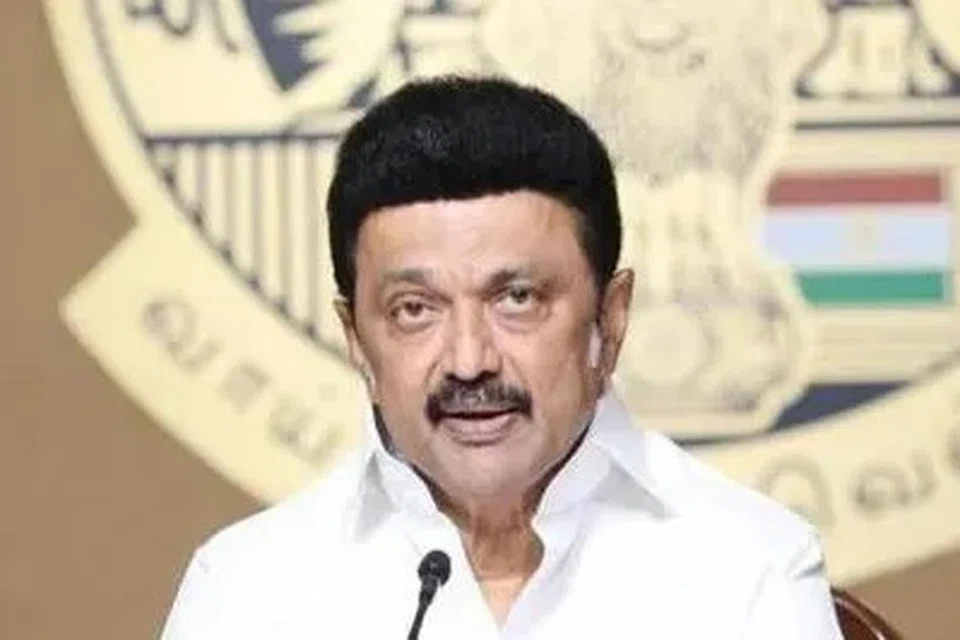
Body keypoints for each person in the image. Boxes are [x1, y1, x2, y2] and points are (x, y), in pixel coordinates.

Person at [158, 75, 844, 639]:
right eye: (414, 310)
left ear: (610, 319)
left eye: (516, 299)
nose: (468, 361)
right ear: (357, 341)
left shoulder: (749, 565)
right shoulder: (249, 589)